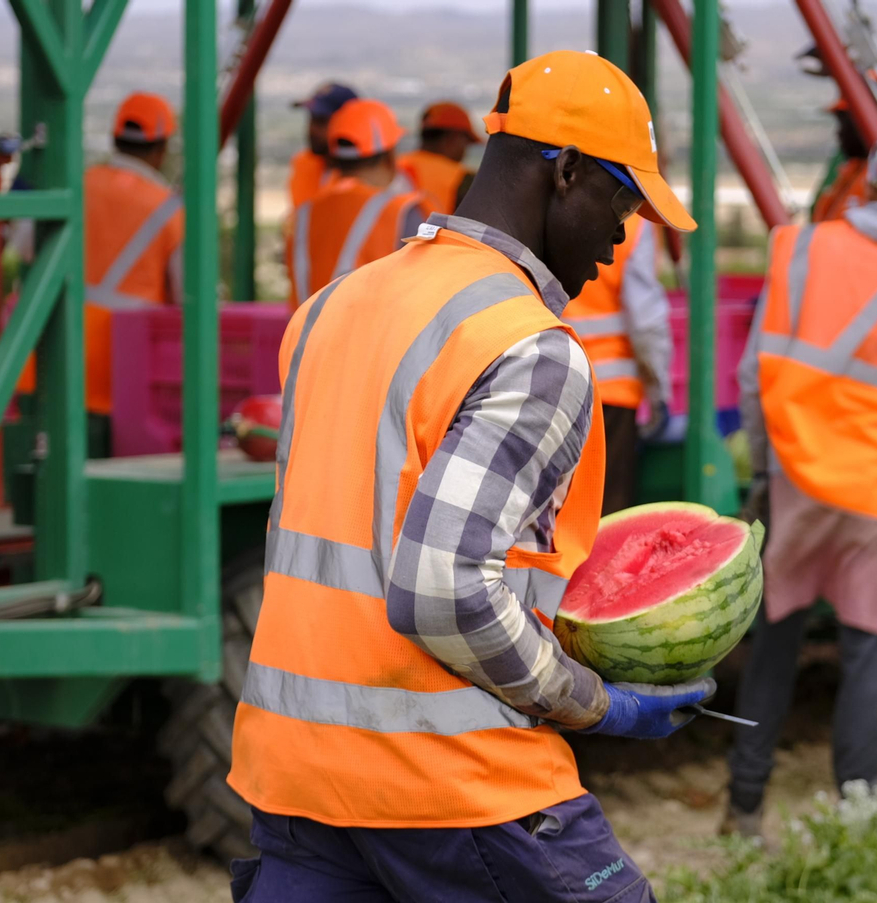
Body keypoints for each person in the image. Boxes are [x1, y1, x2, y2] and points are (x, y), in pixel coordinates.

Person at [226, 50, 706, 902]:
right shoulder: (528, 346)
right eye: (623, 204)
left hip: (295, 775)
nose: (621, 238)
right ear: (565, 171)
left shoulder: (331, 306)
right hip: (447, 778)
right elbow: (444, 589)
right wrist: (596, 702)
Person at [724, 130, 877, 840]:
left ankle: (743, 808)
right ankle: (858, 825)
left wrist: (764, 475)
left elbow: (752, 376)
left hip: (796, 482)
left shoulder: (799, 247)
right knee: (868, 656)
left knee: (774, 645)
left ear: (865, 189)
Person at [14, 91, 184, 448]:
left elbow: (25, 247)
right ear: (162, 148)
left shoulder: (74, 186)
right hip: (121, 376)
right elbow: (187, 297)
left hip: (49, 358)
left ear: (114, 139)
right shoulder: (169, 210)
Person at [561, 216, 673, 513]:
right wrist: (659, 393)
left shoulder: (549, 202)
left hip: (553, 377)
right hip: (611, 391)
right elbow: (646, 323)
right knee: (605, 510)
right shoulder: (635, 223)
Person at [285, 98, 433, 308]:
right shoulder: (401, 212)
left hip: (305, 330)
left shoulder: (304, 214)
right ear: (389, 156)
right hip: (380, 330)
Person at [397, 101, 482, 214]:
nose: (465, 151)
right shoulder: (464, 179)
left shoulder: (393, 166)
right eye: (466, 143)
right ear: (454, 138)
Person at [288, 82, 358, 211]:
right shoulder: (305, 164)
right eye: (311, 119)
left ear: (349, 123)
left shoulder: (370, 178)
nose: (312, 129)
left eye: (321, 121)